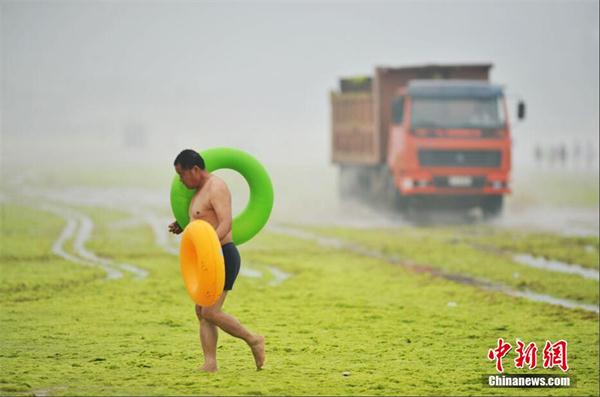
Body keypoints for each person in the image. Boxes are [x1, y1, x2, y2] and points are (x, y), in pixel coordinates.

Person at [168, 149, 265, 372]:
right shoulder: (197, 191)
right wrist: (183, 225)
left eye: (182, 175)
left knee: (210, 312)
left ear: (194, 169)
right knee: (201, 311)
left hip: (222, 255)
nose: (181, 181)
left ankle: (254, 340)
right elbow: (203, 221)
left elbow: (225, 223)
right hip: (207, 258)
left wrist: (209, 247)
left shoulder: (216, 187)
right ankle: (210, 363)